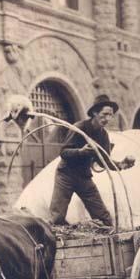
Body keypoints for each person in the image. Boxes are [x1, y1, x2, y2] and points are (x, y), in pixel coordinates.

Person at [49, 94, 117, 226]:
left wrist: (121, 164)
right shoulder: (80, 128)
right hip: (66, 175)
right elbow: (64, 152)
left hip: (84, 177)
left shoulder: (103, 135)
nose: (107, 118)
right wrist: (81, 152)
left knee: (105, 219)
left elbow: (105, 161)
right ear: (95, 113)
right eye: (104, 114)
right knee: (57, 217)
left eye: (110, 115)